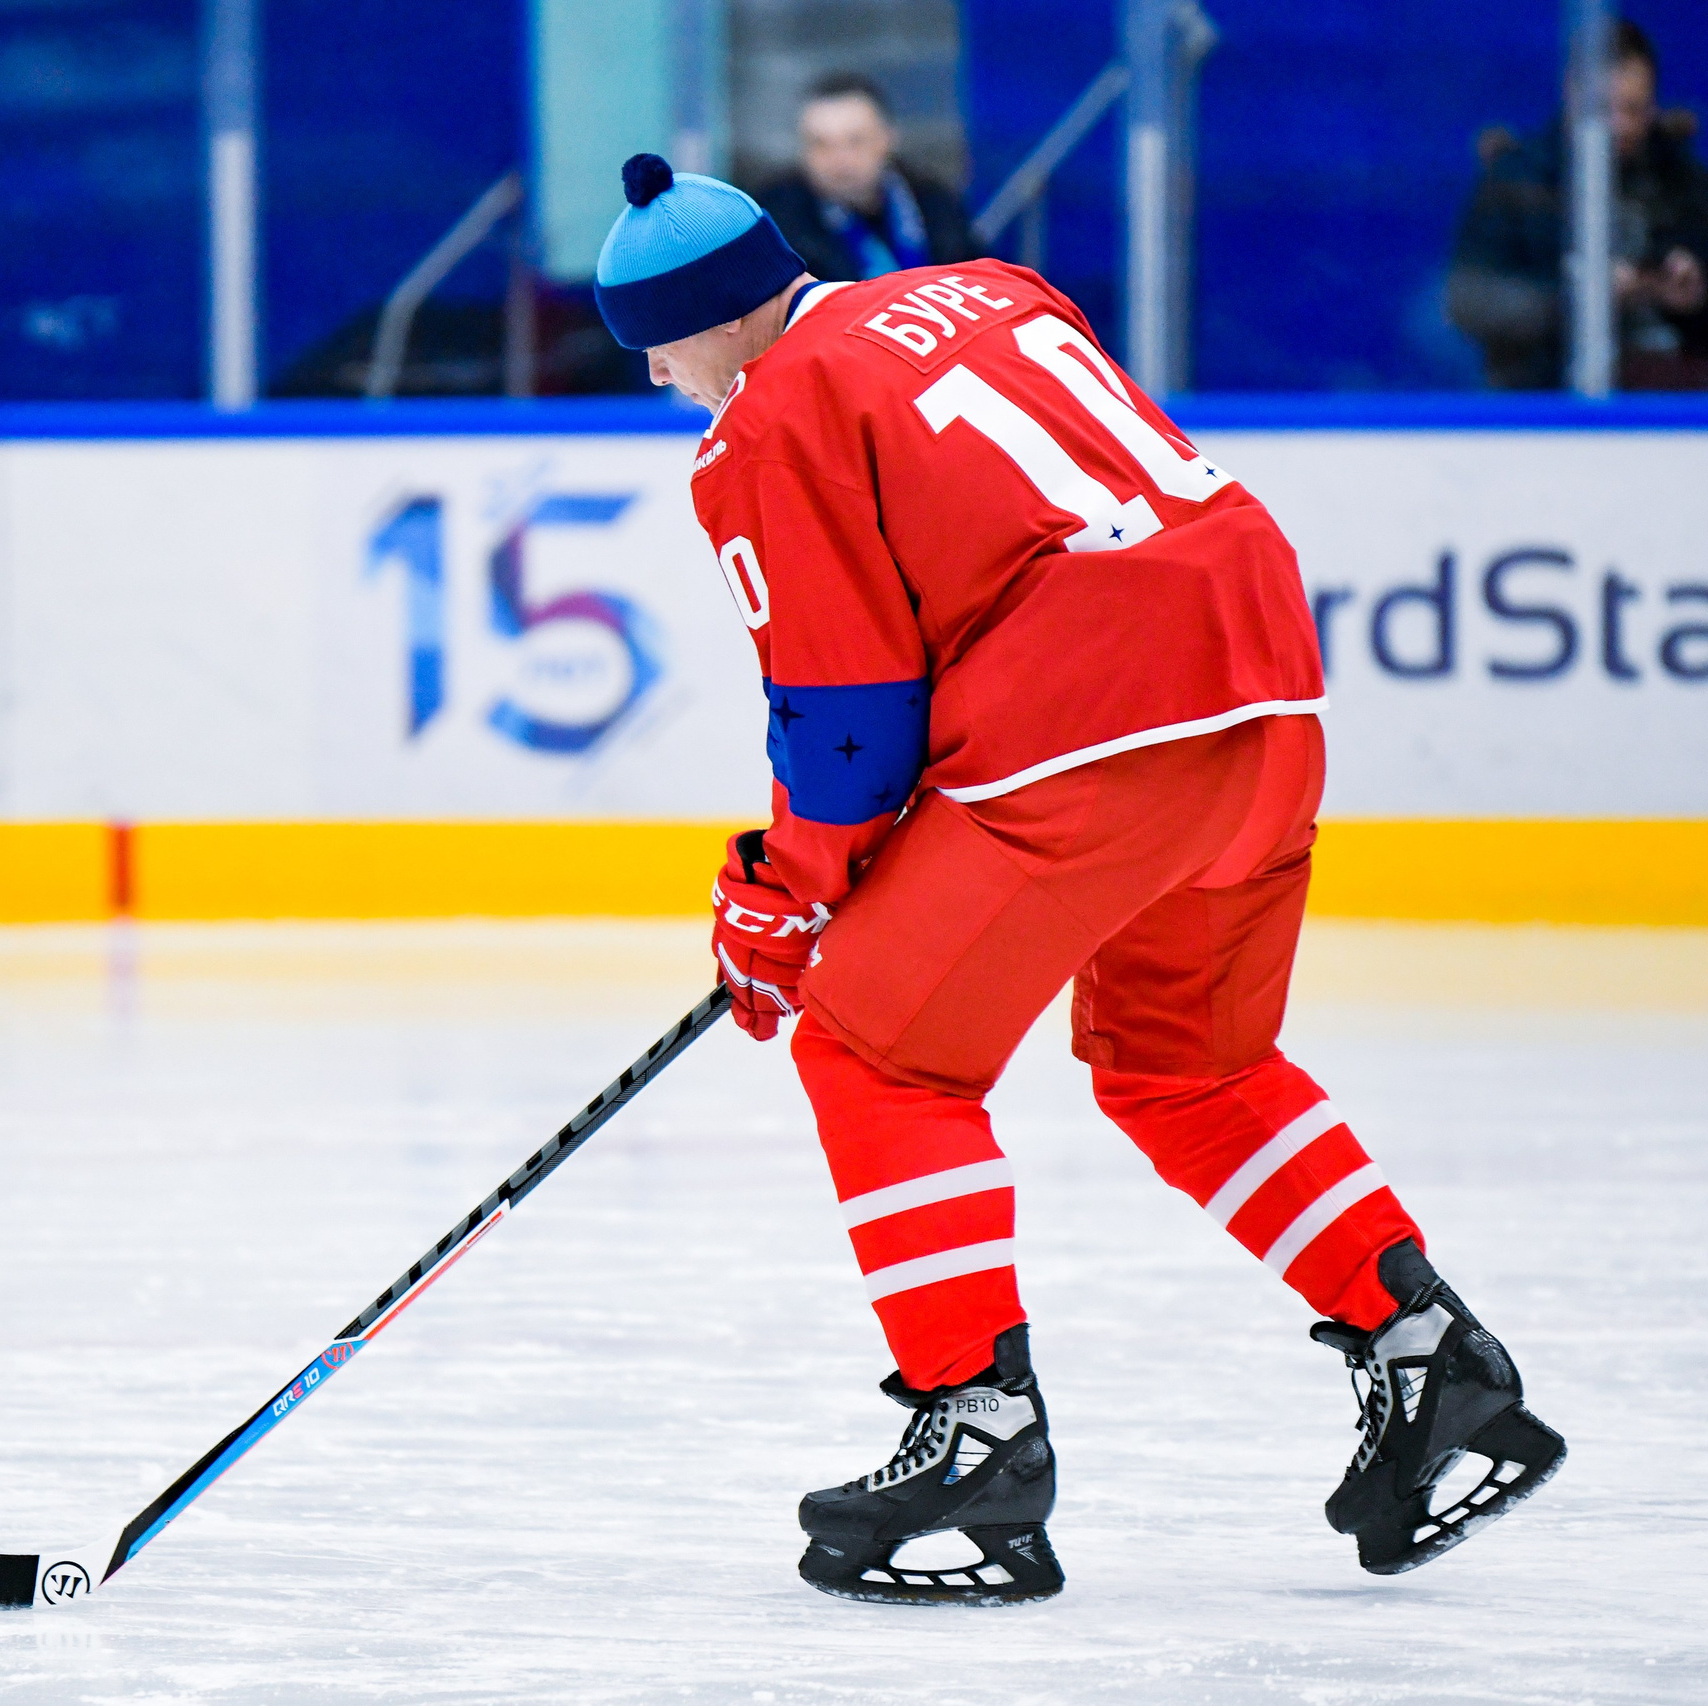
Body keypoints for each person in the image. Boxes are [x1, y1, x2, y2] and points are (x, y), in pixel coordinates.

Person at [593, 153, 1567, 1605]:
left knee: (874, 1049)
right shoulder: (984, 286)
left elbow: (852, 722)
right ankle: (1421, 1347)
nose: (663, 379)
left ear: (716, 317)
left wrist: (786, 891)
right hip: (1264, 699)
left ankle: (976, 1422)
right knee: (1187, 1063)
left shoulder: (767, 421)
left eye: (658, 346)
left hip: (1094, 731)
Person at [1448, 19, 1708, 390]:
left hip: (1676, 395)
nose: (1620, 126)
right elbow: (1469, 301)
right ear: (1572, 93)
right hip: (1550, 395)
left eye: (1634, 110)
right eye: (1605, 110)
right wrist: (1577, 301)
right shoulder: (1517, 181)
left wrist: (1699, 296)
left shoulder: (1691, 185)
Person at [754, 73, 980, 283]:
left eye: (855, 141)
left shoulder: (933, 199)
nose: (840, 160)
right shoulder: (773, 224)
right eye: (821, 145)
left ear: (888, 138)